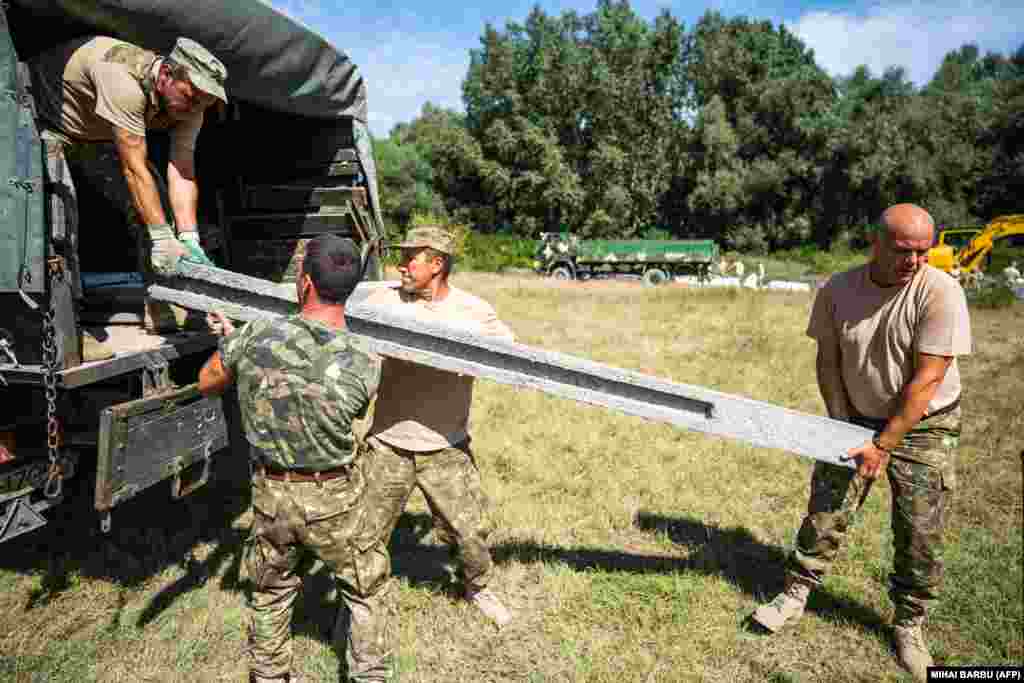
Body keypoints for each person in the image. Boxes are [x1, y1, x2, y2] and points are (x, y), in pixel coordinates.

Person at [751, 204, 971, 682]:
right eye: (903, 250)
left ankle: (909, 625)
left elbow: (928, 379)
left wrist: (885, 444)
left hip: (925, 423)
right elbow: (827, 361)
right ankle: (795, 593)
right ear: (876, 242)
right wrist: (841, 426)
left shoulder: (941, 291)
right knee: (825, 509)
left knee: (919, 528)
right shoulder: (838, 289)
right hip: (854, 415)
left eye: (923, 251)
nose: (915, 261)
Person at [198, 235, 394, 683]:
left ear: (304, 283)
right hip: (338, 497)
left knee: (270, 592)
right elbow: (333, 402)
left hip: (272, 495)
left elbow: (207, 381)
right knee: (367, 593)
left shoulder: (255, 336)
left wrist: (235, 344)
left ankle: (268, 677)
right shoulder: (367, 360)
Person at [28, 35, 227, 352]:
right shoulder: (121, 78)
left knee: (155, 202)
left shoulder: (194, 103)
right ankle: (69, 328)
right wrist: (162, 238)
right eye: (190, 98)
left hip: (98, 129)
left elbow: (183, 170)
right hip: (46, 117)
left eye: (203, 103)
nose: (194, 109)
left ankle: (162, 300)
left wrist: (189, 238)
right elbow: (134, 169)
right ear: (166, 76)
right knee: (58, 215)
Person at [360, 225, 515, 627]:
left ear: (438, 264)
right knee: (364, 535)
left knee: (469, 533)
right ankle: (360, 604)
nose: (401, 263)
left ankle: (478, 588)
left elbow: (509, 353)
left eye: (412, 257)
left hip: (446, 444)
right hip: (387, 443)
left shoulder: (472, 310)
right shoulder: (382, 296)